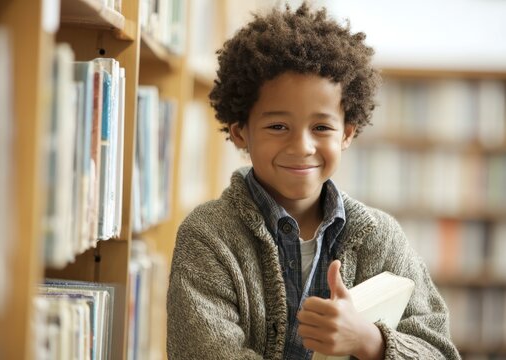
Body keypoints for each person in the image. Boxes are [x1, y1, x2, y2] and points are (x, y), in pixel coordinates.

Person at [167, 2, 460, 359]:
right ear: (241, 132)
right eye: (278, 126)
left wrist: (370, 341)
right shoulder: (208, 235)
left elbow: (440, 351)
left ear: (347, 134)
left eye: (321, 127)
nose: (302, 146)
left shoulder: (380, 238)